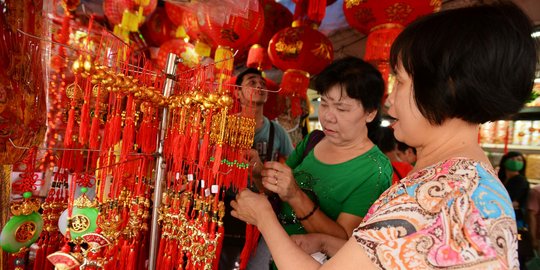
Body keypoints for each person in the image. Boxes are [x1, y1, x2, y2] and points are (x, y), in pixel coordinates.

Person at [230, 2, 537, 269]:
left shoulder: (430, 196)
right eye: (325, 103)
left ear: (446, 88)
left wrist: (264, 216)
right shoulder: (473, 181)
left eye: (401, 82)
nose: (391, 100)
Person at [243, 56, 393, 268]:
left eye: (341, 109)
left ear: (370, 113)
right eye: (324, 103)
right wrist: (259, 172)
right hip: (273, 253)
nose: (328, 116)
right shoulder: (315, 140)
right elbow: (277, 194)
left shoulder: (374, 170)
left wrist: (295, 195)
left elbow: (344, 241)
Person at [220, 68, 294, 270]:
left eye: (262, 84)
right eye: (252, 82)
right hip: (228, 209)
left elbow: (290, 174)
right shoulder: (225, 126)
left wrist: (263, 172)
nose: (259, 86)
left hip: (263, 213)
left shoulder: (277, 132)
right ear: (237, 93)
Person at [499, 151, 533, 267]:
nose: (516, 162)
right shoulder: (500, 178)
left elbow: (512, 202)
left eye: (519, 160)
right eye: (513, 159)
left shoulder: (520, 181)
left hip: (514, 223)